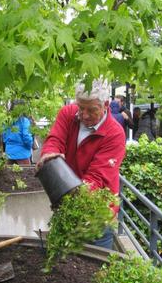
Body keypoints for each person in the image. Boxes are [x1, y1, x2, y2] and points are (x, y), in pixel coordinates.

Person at [36, 79, 126, 249]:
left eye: (91, 110)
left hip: (98, 213)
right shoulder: (68, 114)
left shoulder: (115, 134)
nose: (84, 115)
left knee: (93, 267)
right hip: (69, 206)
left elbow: (97, 179)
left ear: (106, 104)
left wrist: (68, 198)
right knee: (64, 266)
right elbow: (55, 140)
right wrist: (49, 155)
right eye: (80, 107)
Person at [3, 100, 33, 165]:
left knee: (8, 174)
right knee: (26, 174)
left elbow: (4, 136)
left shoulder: (6, 121)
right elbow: (26, 136)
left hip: (9, 152)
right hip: (22, 153)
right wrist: (29, 146)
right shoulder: (24, 121)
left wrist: (9, 144)